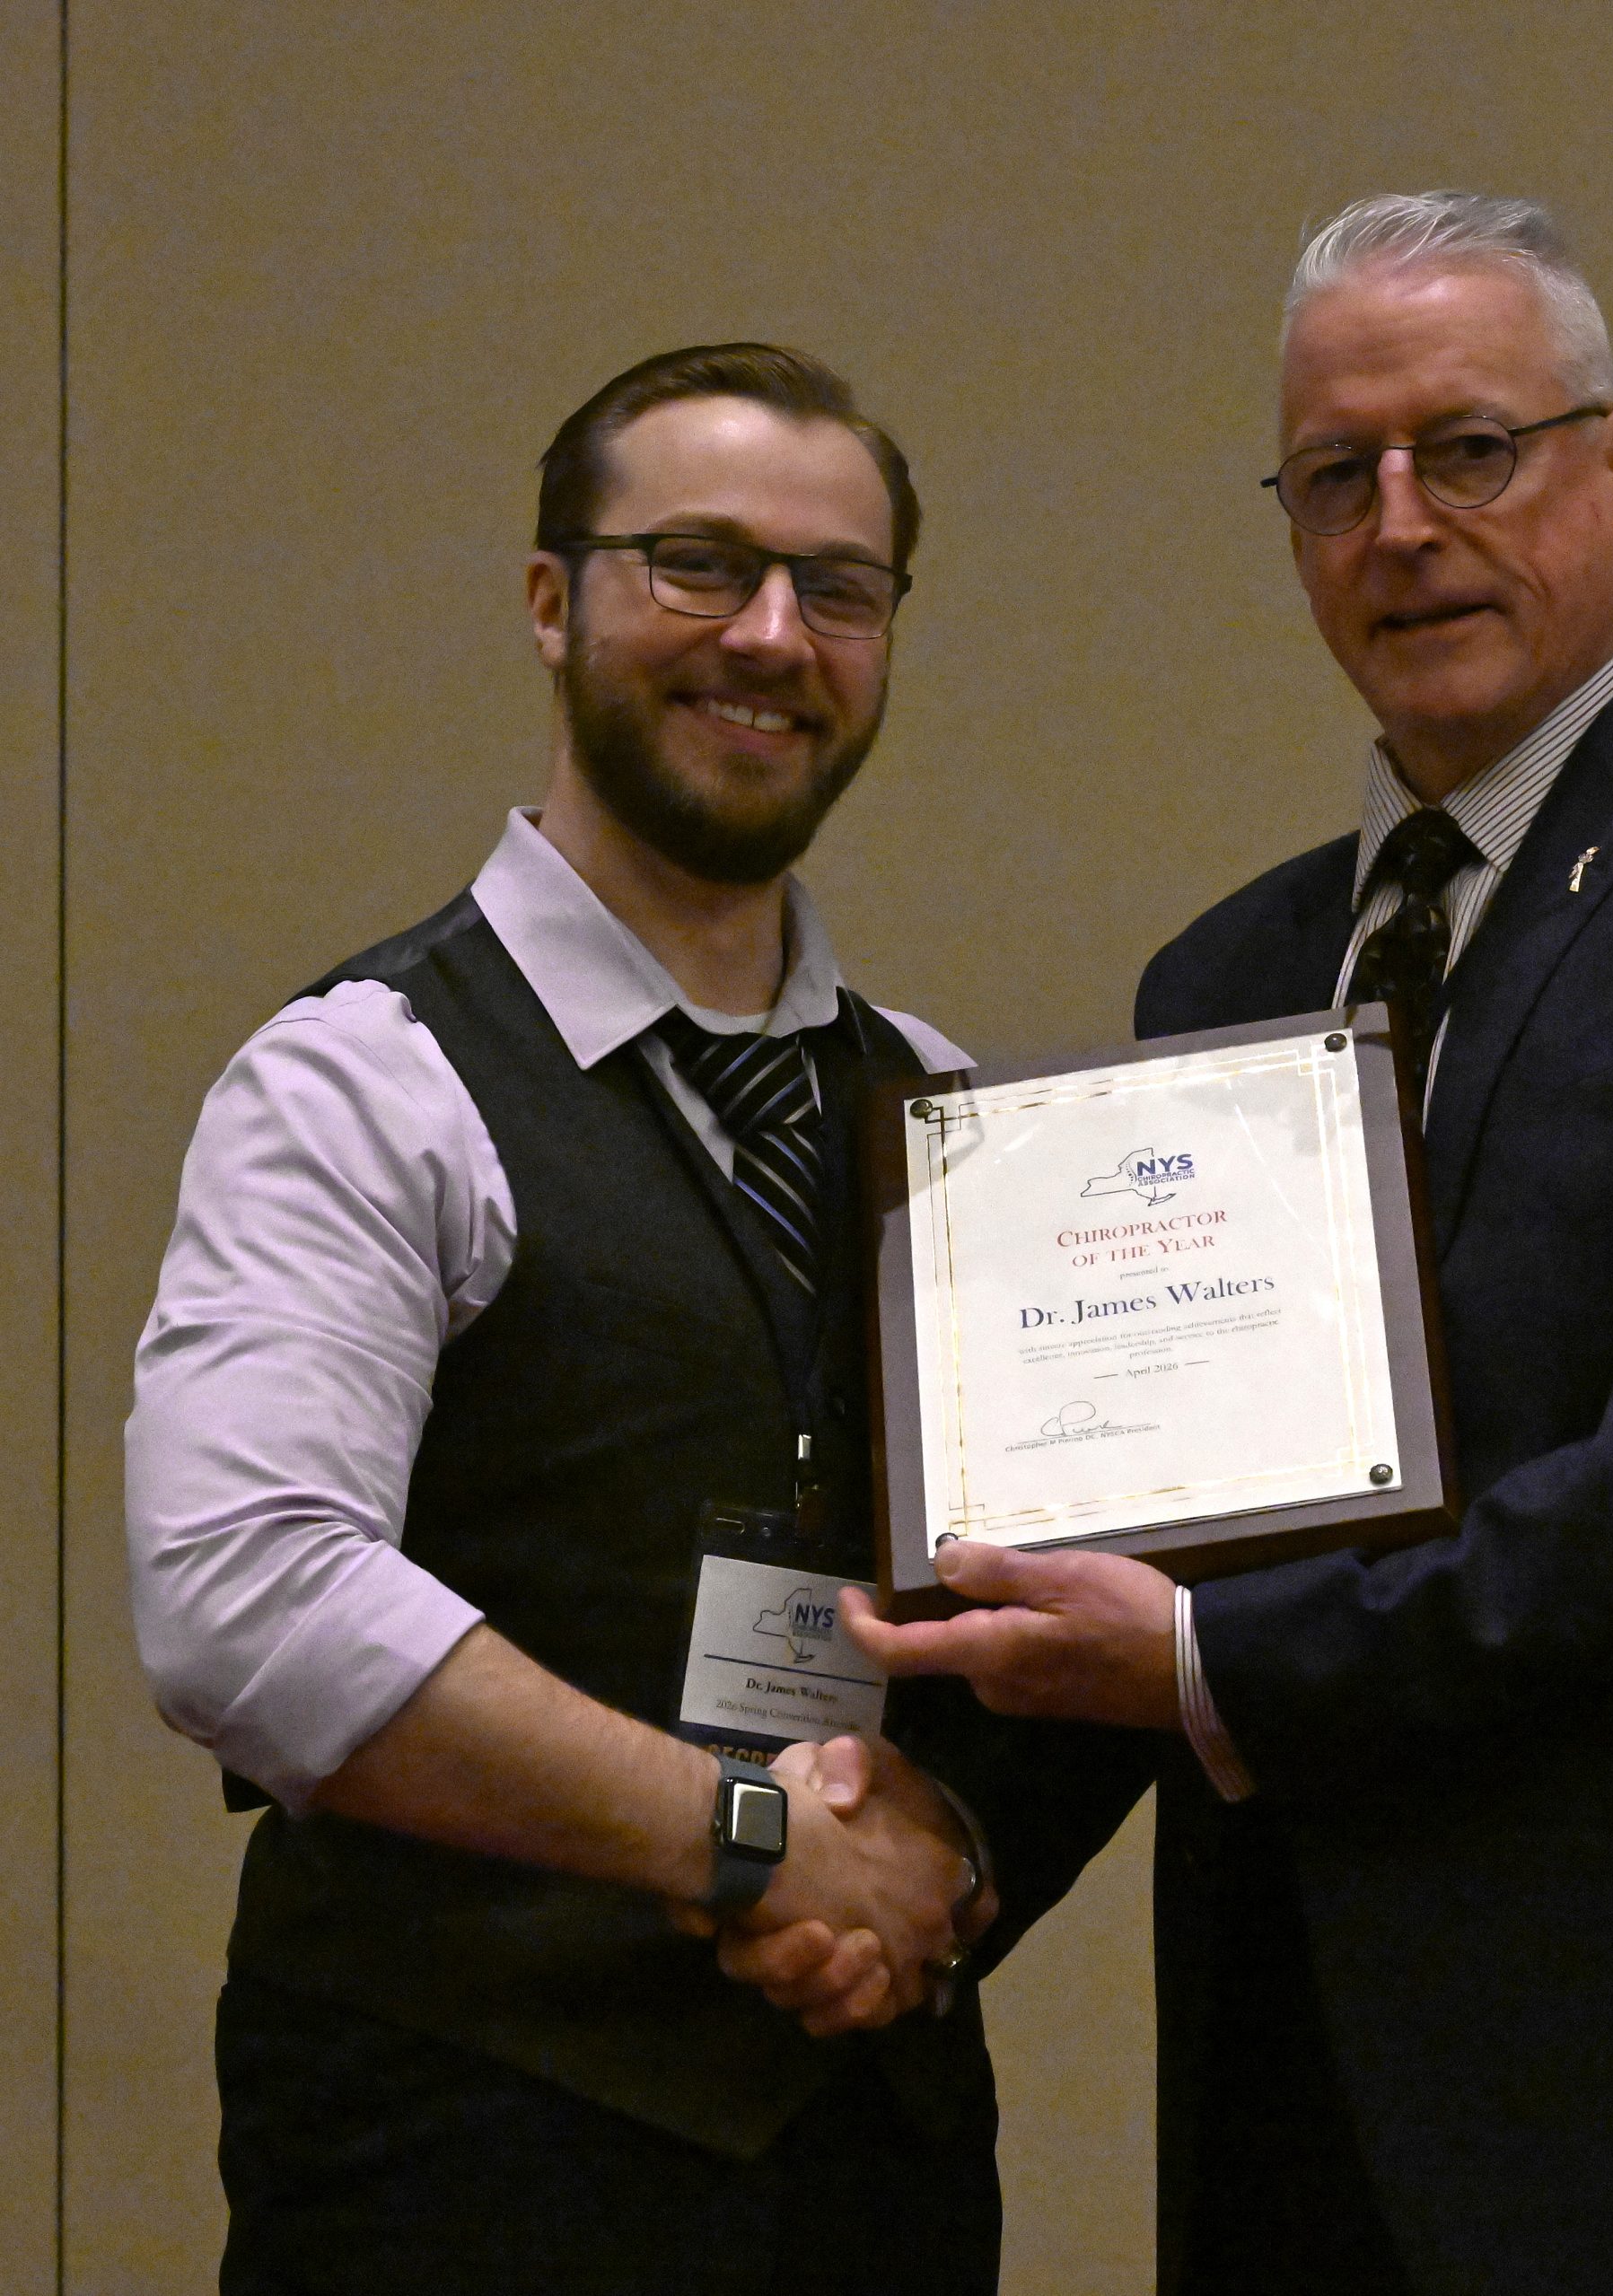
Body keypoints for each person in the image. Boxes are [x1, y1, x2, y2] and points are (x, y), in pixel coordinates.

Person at [846, 193, 1613, 2295]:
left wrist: (1200, 1665)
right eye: (1333, 476)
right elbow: (1160, 1534)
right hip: (1308, 2122)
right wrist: (929, 1834)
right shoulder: (1227, 971)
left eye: (1470, 449)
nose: (1401, 522)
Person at [127, 341, 1122, 2296]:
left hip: (874, 2167)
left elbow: (1044, 1590)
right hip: (459, 2167)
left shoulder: (943, 1108)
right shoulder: (360, 1082)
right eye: (696, 563)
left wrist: (946, 1860)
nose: (769, 634)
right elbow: (243, 1597)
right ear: (545, 596)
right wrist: (747, 1835)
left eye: (836, 587)